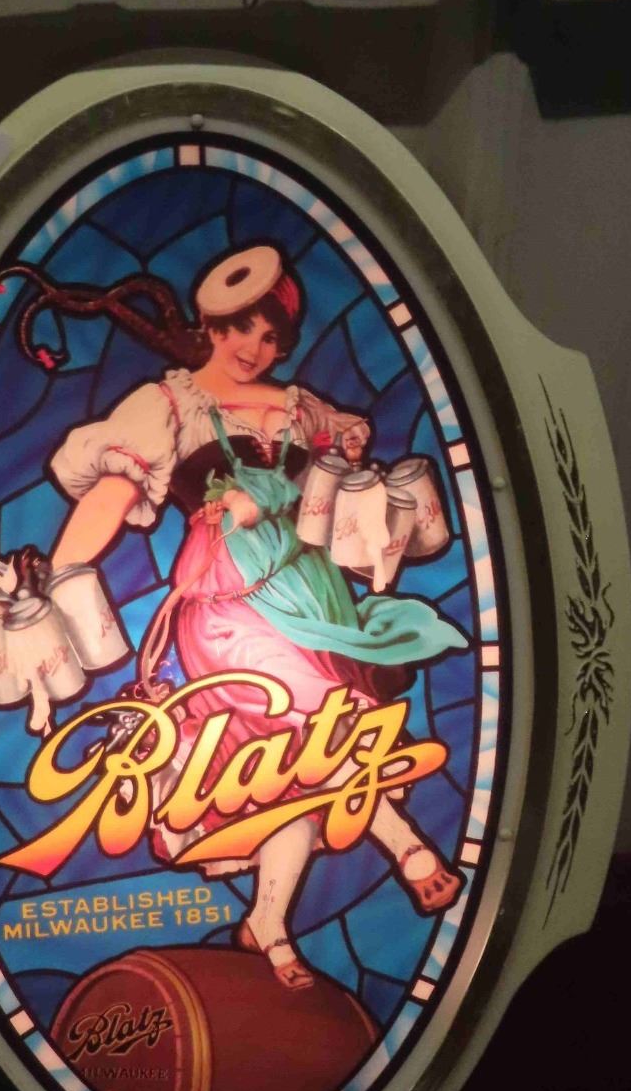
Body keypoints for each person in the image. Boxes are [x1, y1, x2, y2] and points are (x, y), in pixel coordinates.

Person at [43, 243, 467, 993]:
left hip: (315, 595)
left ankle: (266, 921)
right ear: (211, 325)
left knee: (291, 775)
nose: (255, 348)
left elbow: (343, 483)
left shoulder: (303, 409)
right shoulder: (166, 407)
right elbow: (108, 497)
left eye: (271, 336)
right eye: (241, 328)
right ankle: (410, 851)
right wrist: (64, 574)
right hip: (228, 599)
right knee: (324, 724)